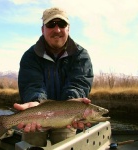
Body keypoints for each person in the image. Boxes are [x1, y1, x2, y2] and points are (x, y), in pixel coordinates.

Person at [14, 7, 94, 147]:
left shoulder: (81, 55)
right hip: (37, 114)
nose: (57, 30)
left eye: (62, 24)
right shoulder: (30, 56)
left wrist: (72, 102)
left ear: (68, 28)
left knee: (66, 145)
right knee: (31, 146)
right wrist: (35, 101)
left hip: (67, 118)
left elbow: (79, 83)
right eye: (51, 24)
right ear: (42, 29)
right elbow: (32, 85)